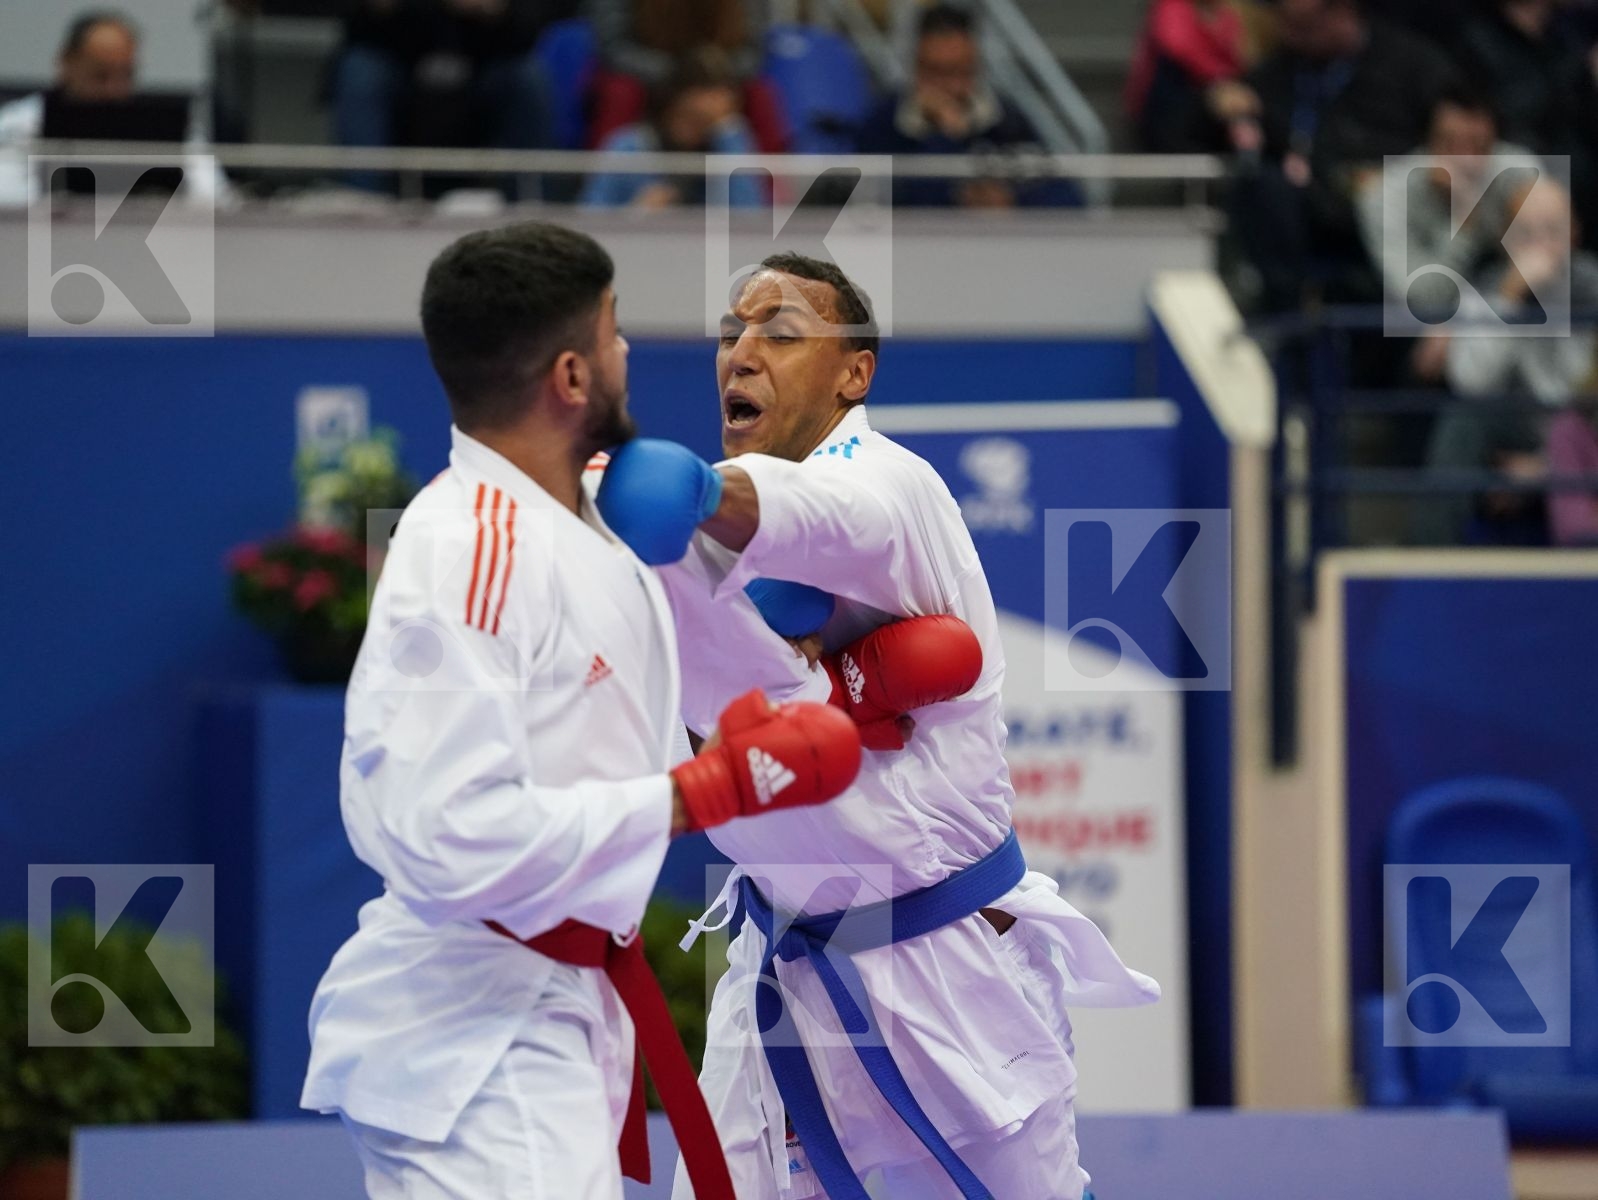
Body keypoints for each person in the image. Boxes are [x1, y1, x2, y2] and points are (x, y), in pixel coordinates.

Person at [298, 221, 867, 1200]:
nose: (627, 353)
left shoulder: (587, 524)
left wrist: (765, 722)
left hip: (559, 1007)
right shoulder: (468, 551)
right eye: (612, 335)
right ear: (571, 377)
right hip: (473, 1036)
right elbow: (444, 830)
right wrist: (694, 794)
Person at [594, 254, 1160, 1200]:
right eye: (731, 333)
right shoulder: (686, 544)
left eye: (780, 332)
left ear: (853, 372)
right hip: (784, 969)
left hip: (944, 965)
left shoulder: (888, 484)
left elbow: (828, 516)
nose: (741, 352)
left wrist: (707, 496)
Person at [1216, 0, 1457, 311]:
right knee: (1261, 186)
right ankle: (1287, 313)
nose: (1293, 38)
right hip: (1314, 209)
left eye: (1305, 27)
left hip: (1395, 204)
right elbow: (1218, 119)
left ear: (1344, 11)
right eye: (1288, 26)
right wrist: (1218, 101)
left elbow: (1462, 128)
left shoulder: (1413, 63)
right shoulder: (1282, 69)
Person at [1413, 178, 1598, 544]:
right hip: (1515, 427)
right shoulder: (1489, 287)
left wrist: (1545, 465)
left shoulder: (1593, 287)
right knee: (1463, 421)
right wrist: (1508, 298)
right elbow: (1471, 383)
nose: (1541, 245)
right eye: (1526, 232)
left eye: (1553, 230)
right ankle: (1428, 558)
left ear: (1574, 234)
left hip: (1579, 433)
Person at [330, 0, 572, 195]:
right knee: (360, 70)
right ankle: (363, 197)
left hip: (483, 75)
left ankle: (532, 202)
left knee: (527, 76)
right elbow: (352, 30)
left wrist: (495, 10)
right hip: (401, 70)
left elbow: (531, 31)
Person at [0, 10, 231, 208]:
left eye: (126, 75)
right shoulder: (20, 123)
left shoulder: (165, 127)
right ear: (66, 63)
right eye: (101, 75)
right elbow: (7, 204)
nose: (114, 89)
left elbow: (215, 201)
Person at [856, 4, 1075, 209]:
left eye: (963, 71)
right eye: (938, 72)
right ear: (916, 68)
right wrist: (945, 137)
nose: (953, 87)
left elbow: (1067, 199)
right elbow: (885, 207)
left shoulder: (1006, 121)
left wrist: (1011, 200)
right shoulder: (883, 125)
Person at [580, 48, 763, 209]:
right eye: (689, 115)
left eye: (707, 122)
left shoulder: (730, 142)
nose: (693, 129)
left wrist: (727, 135)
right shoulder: (628, 147)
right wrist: (635, 214)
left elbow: (749, 218)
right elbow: (590, 216)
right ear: (671, 103)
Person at [1125, 0, 1248, 153]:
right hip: (1168, 105)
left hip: (1213, 102)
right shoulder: (1171, 6)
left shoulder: (1228, 14)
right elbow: (1176, 46)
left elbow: (1238, 56)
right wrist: (1219, 80)